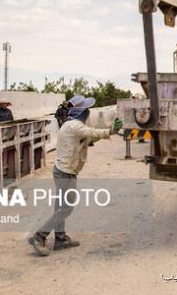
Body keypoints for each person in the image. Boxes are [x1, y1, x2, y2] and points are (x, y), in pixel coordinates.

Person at [28, 95, 123, 256]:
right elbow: (90, 132)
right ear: (81, 111)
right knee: (66, 208)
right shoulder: (75, 126)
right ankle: (40, 235)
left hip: (61, 170)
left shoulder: (69, 125)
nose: (88, 112)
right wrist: (111, 131)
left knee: (60, 206)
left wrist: (105, 134)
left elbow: (89, 137)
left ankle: (60, 238)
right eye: (86, 109)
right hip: (66, 172)